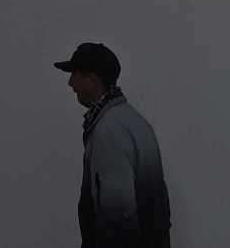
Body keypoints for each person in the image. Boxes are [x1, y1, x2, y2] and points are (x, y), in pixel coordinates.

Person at [55, 42, 171, 248]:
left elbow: (117, 220)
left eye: (74, 75)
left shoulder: (108, 131)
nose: (70, 83)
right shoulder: (136, 121)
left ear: (92, 80)